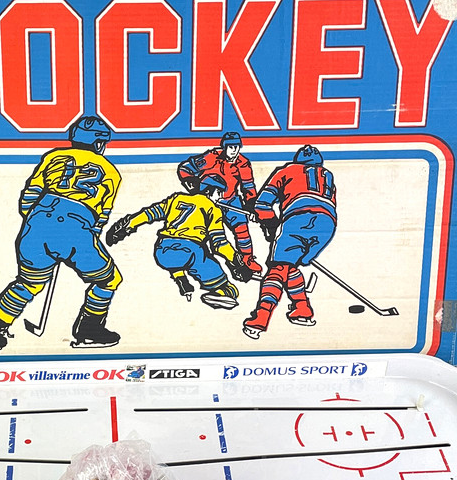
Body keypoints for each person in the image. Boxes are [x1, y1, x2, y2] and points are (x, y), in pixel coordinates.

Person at [0, 115, 123, 355]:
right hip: (76, 227)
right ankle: (89, 330)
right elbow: (101, 217)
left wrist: (38, 223)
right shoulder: (111, 172)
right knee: (109, 279)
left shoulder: (53, 157)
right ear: (98, 143)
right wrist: (79, 238)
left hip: (38, 222)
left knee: (28, 283)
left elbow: (30, 195)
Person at [107, 172, 252, 309]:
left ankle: (181, 279)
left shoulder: (177, 198)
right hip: (191, 252)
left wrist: (129, 225)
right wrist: (238, 263)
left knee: (178, 258)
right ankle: (220, 293)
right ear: (210, 190)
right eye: (219, 192)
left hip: (162, 250)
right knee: (229, 288)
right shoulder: (212, 208)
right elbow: (219, 244)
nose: (220, 197)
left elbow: (150, 213)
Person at [243, 145, 336, 337]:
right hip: (327, 225)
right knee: (290, 267)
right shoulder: (327, 176)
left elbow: (262, 204)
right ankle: (302, 309)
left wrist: (270, 224)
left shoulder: (287, 171)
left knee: (277, 269)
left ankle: (261, 319)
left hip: (298, 219)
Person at [176, 131, 263, 278]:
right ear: (224, 147)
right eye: (230, 147)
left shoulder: (243, 163)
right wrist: (198, 190)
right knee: (206, 233)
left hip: (230, 200)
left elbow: (248, 187)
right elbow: (185, 169)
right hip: (208, 201)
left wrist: (251, 207)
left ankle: (247, 259)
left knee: (242, 229)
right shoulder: (212, 157)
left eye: (236, 147)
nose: (234, 150)